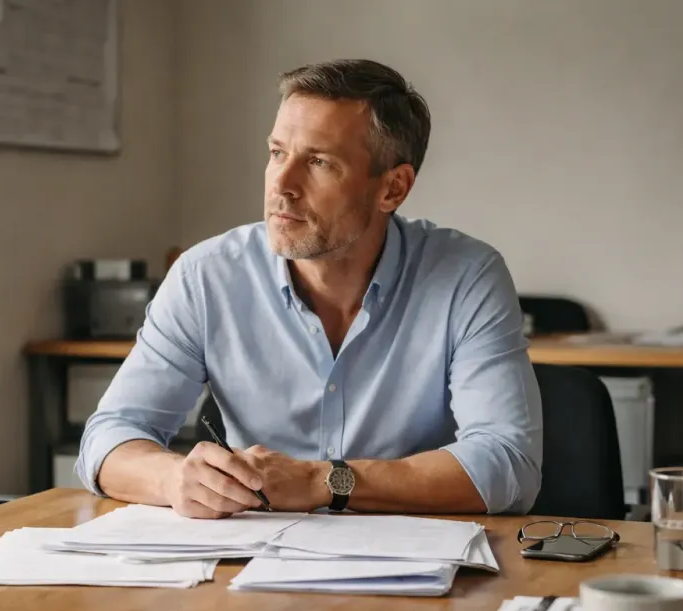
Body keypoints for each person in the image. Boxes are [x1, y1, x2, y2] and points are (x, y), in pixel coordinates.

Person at [76, 59, 542, 519]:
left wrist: (324, 482)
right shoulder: (206, 276)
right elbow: (108, 438)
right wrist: (174, 478)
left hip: (416, 569)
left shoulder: (467, 276)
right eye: (277, 153)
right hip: (250, 567)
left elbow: (507, 465)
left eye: (319, 162)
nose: (282, 184)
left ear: (393, 189)